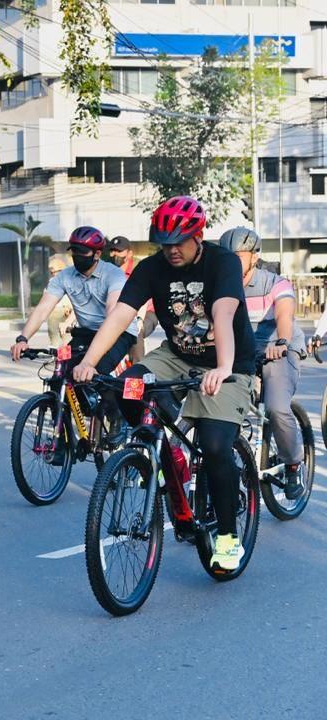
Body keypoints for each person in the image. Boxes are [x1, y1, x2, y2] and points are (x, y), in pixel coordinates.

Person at [72, 196, 255, 572]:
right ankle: (166, 455)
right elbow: (121, 315)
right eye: (164, 243)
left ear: (198, 235)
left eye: (179, 242)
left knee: (215, 445)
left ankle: (226, 536)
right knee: (127, 387)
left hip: (228, 360)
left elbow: (223, 313)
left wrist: (222, 368)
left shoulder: (222, 262)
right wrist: (89, 361)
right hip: (176, 355)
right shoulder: (152, 269)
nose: (171, 250)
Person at [220, 227, 304, 500]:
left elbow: (284, 314)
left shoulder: (274, 282)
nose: (232, 262)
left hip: (278, 349)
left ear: (254, 257)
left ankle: (293, 465)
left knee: (277, 407)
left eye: (239, 256)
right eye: (227, 256)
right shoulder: (219, 284)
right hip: (240, 352)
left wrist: (281, 341)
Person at [12, 226, 137, 373]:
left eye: (82, 251)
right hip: (85, 333)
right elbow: (42, 309)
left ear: (97, 254)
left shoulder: (113, 274)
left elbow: (113, 311)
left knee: (93, 373)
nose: (77, 255)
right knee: (61, 369)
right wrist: (23, 339)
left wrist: (90, 361)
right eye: (74, 250)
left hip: (118, 333)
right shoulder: (64, 276)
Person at [109, 235, 158, 363]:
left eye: (119, 251)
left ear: (129, 253)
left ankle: (138, 371)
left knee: (135, 331)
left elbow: (143, 301)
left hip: (146, 313)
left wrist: (139, 320)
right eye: (112, 250)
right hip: (120, 313)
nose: (115, 254)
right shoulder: (108, 273)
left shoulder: (139, 270)